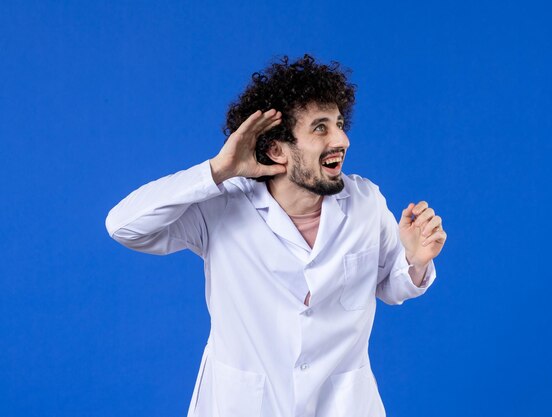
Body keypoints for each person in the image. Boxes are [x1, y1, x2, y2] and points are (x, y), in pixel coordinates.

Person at [105, 54, 447, 417]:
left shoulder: (365, 202)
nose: (342, 139)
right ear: (275, 149)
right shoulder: (221, 207)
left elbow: (391, 288)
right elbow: (124, 226)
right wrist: (217, 170)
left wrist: (414, 260)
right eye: (320, 128)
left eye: (340, 123)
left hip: (344, 405)